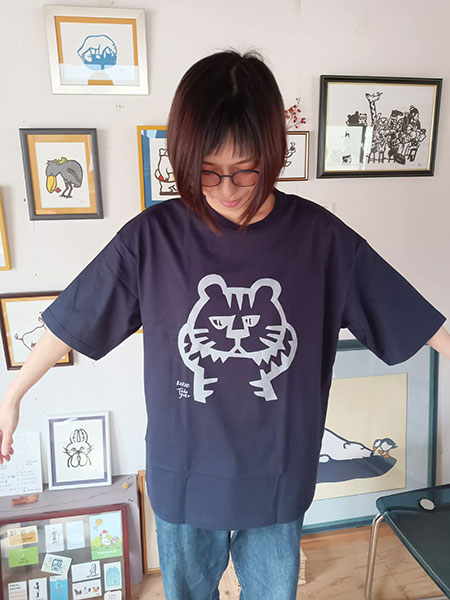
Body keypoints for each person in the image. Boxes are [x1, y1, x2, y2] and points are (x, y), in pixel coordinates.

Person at [0, 50, 449, 600]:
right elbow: (76, 316)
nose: (227, 188)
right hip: (184, 470)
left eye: (245, 169)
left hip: (278, 469)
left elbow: (407, 311)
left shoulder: (321, 238)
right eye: (208, 171)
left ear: (273, 153)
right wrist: (13, 395)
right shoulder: (153, 238)